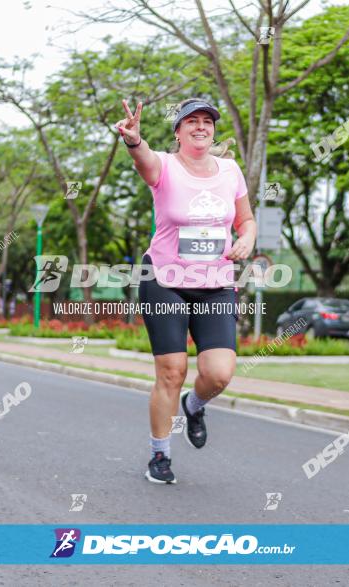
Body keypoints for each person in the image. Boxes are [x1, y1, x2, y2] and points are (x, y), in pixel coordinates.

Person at [116, 97, 257, 484]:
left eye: (207, 121)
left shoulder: (230, 171)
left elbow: (245, 220)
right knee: (172, 371)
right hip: (165, 280)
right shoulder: (164, 166)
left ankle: (194, 407)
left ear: (213, 130)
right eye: (191, 121)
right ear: (178, 131)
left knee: (219, 374)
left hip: (214, 285)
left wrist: (246, 239)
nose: (200, 127)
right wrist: (133, 140)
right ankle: (159, 456)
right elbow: (143, 160)